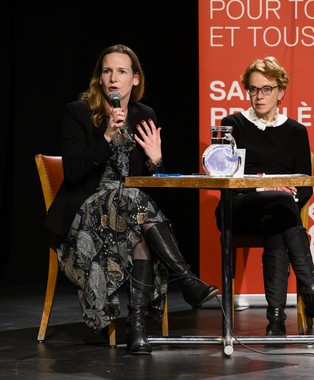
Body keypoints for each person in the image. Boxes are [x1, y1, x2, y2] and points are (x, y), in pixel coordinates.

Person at [45, 44, 218, 355]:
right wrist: (107, 137)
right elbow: (72, 173)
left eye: (121, 71)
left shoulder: (143, 115)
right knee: (137, 208)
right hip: (87, 212)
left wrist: (156, 161)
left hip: (130, 212)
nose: (114, 78)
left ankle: (136, 327)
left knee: (138, 219)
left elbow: (152, 186)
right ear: (99, 79)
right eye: (107, 71)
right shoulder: (79, 112)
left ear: (135, 79)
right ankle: (186, 278)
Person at [215, 56, 314, 335]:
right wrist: (267, 189)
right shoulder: (231, 124)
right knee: (282, 205)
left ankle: (276, 321)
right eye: (253, 89)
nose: (259, 96)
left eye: (266, 89)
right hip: (239, 208)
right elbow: (222, 177)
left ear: (281, 91)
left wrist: (283, 198)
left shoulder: (296, 131)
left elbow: (305, 186)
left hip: (277, 213)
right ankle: (312, 293)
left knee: (278, 221)